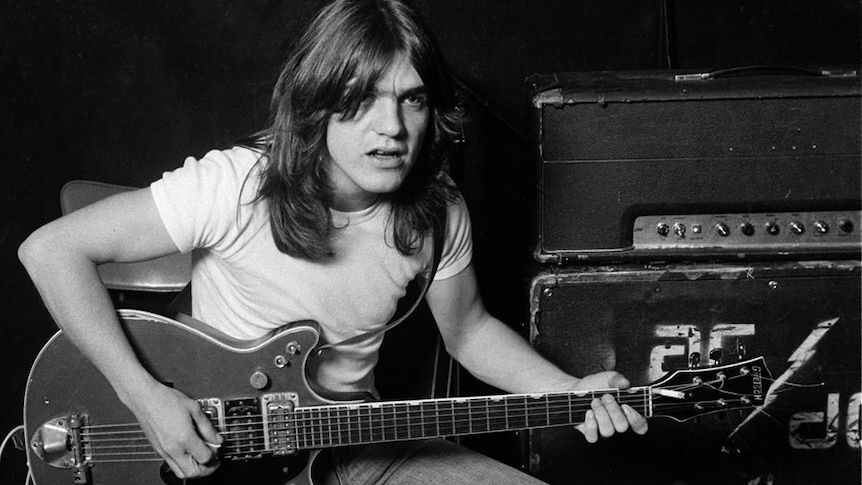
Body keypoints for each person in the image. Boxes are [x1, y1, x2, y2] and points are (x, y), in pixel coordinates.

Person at [18, 0, 647, 483]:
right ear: (318, 105)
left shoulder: (437, 210)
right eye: (362, 100)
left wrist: (566, 391)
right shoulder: (237, 185)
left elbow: (470, 331)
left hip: (352, 444)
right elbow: (49, 251)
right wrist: (147, 397)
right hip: (224, 455)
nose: (393, 128)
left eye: (413, 100)